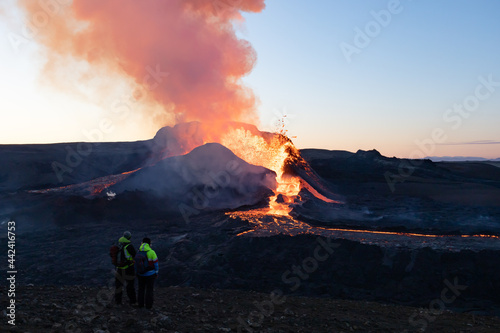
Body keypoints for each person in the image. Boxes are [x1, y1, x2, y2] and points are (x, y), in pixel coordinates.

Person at [136, 237, 159, 310]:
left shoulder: (138, 252)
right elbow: (156, 264)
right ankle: (148, 306)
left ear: (142, 243)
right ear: (149, 244)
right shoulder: (152, 252)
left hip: (140, 274)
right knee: (149, 290)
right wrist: (156, 272)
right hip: (150, 274)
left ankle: (140, 305)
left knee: (141, 289)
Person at [115, 231, 137, 305]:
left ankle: (118, 302)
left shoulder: (119, 245)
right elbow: (135, 255)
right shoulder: (129, 246)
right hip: (128, 268)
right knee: (130, 285)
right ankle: (133, 301)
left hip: (119, 268)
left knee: (118, 285)